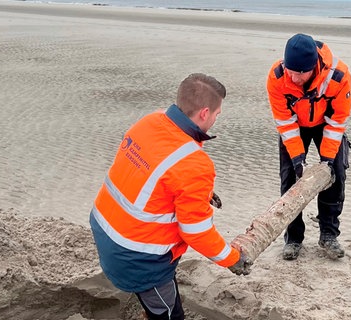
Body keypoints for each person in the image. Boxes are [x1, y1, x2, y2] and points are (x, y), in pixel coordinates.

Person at [89, 73, 252, 320]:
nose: (217, 120)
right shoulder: (195, 165)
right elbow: (196, 232)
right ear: (205, 113)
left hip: (105, 228)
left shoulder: (151, 121)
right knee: (168, 314)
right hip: (138, 257)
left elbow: (156, 175)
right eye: (218, 115)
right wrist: (232, 259)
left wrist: (200, 192)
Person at [266, 33, 351, 261]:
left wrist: (327, 162)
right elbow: (285, 122)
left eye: (299, 73)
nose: (293, 78)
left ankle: (328, 235)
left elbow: (337, 121)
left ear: (312, 66)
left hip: (327, 124)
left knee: (335, 176)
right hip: (295, 125)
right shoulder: (277, 77)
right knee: (289, 179)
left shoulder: (338, 76)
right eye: (290, 71)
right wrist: (298, 160)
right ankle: (293, 238)